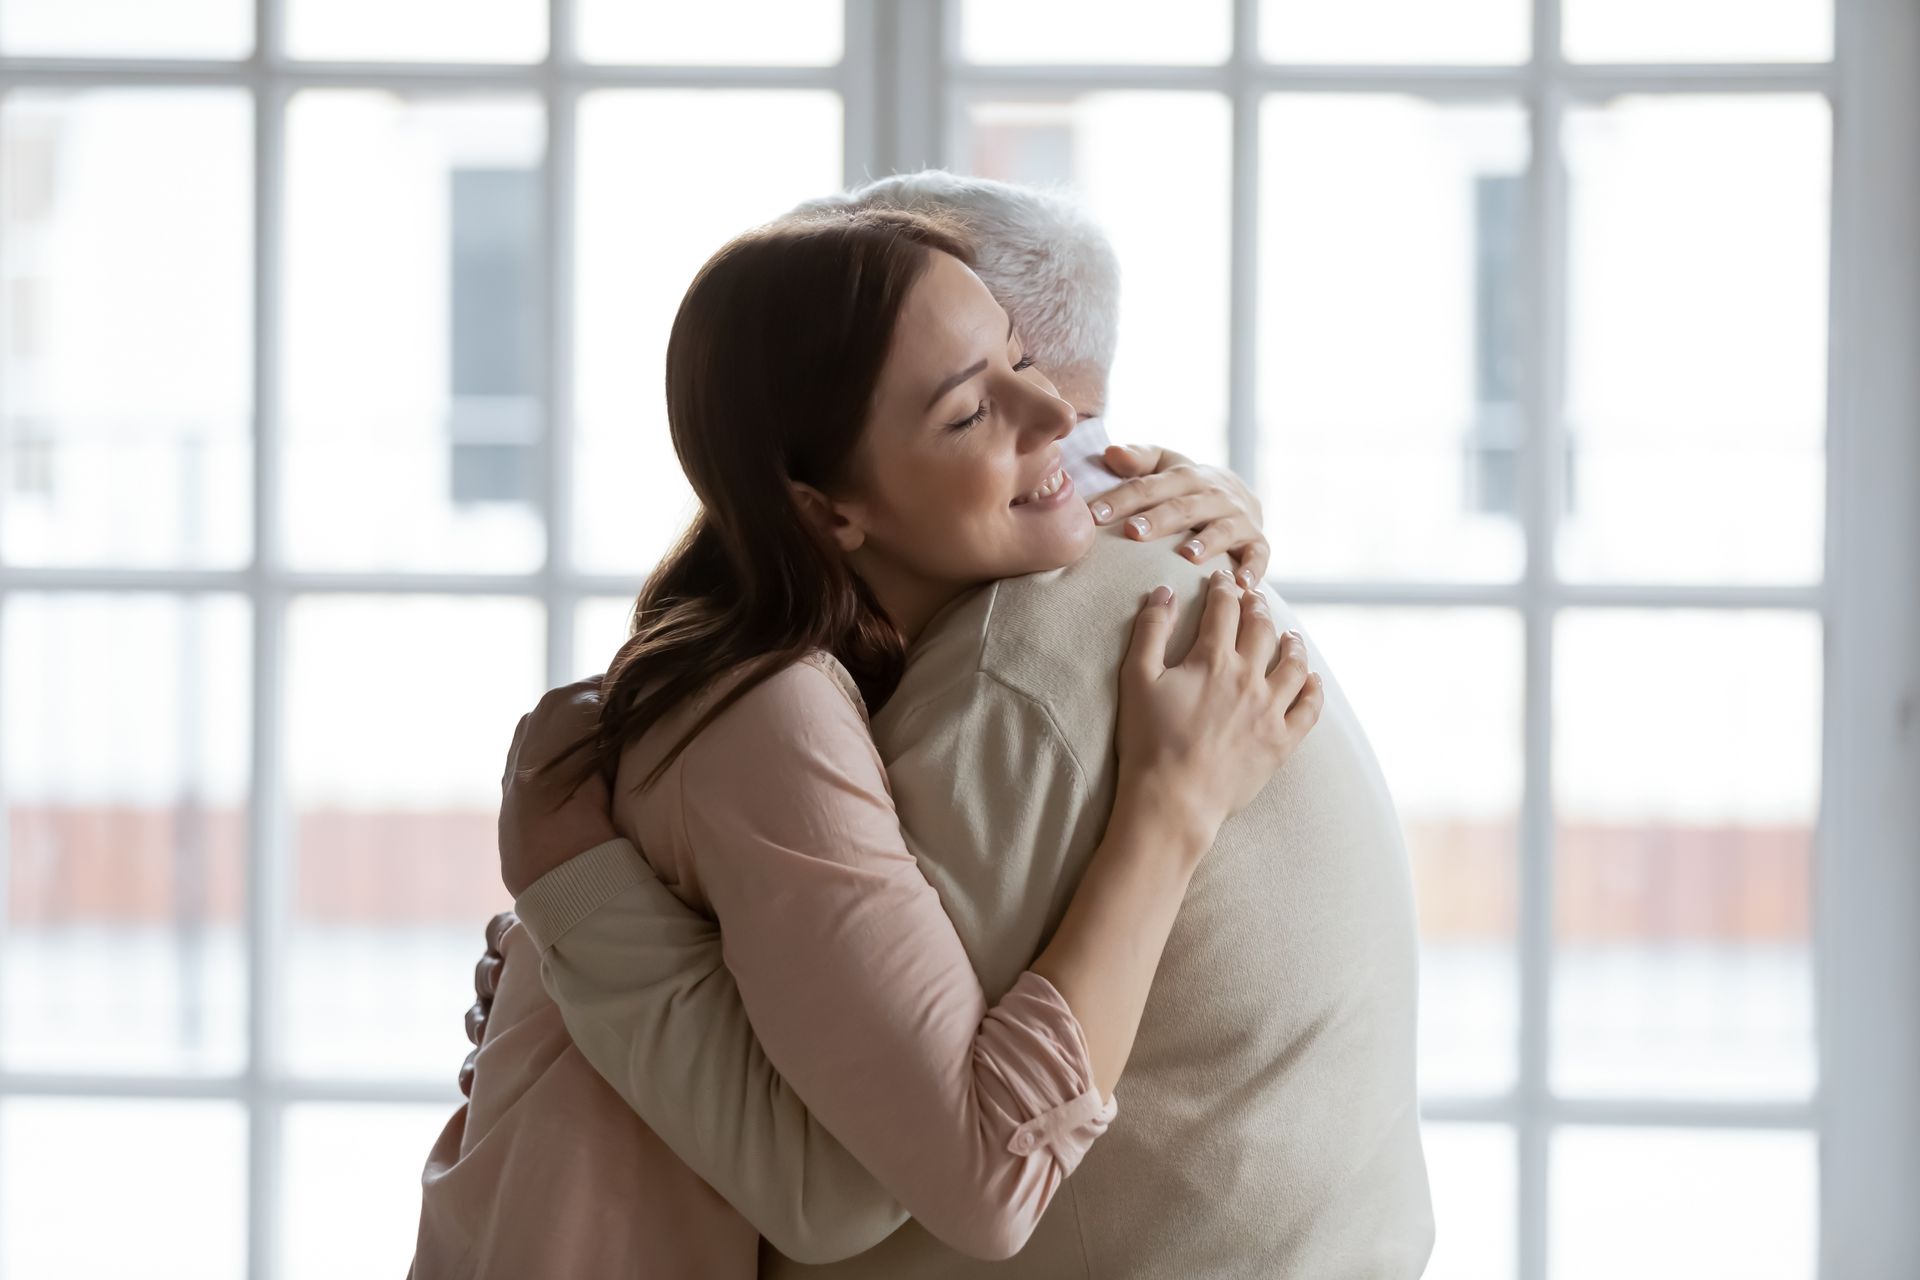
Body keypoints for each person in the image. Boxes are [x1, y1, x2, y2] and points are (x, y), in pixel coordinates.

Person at [461, 174, 1435, 1278]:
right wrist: (1171, 811)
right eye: (971, 406)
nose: (1065, 426)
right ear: (828, 507)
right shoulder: (856, 692)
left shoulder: (935, 643)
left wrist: (573, 928)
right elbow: (888, 1176)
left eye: (1027, 367)